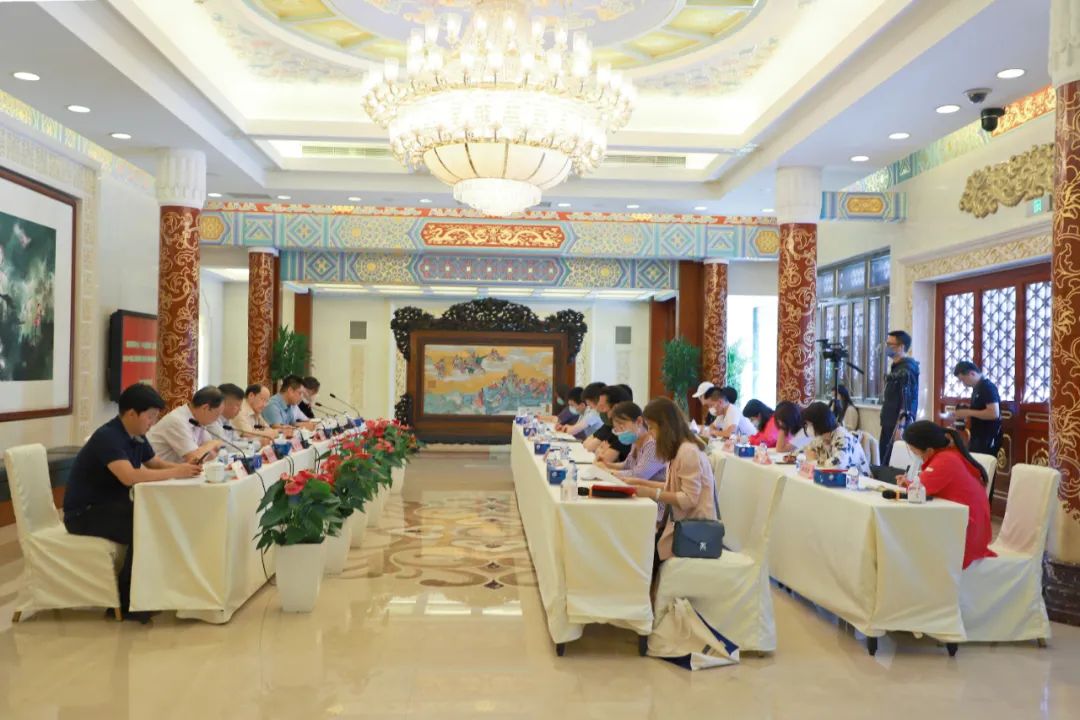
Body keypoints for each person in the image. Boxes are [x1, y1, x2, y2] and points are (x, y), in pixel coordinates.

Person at [63, 384, 201, 622]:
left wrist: (186, 469)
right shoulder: (108, 437)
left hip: (112, 506)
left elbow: (155, 463)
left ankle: (154, 591)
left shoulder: (136, 435)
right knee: (147, 526)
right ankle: (126, 602)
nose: (153, 423)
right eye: (150, 417)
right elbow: (129, 476)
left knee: (156, 519)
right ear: (131, 414)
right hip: (85, 514)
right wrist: (176, 472)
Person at [622, 397, 717, 562]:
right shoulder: (679, 450)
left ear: (665, 426)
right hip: (680, 523)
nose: (650, 433)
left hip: (691, 531)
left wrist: (651, 493)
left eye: (652, 427)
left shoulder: (688, 452)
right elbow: (671, 486)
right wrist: (639, 483)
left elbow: (688, 499)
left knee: (637, 551)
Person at [901, 421, 996, 569]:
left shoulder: (944, 461)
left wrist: (907, 484)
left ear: (929, 450)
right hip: (969, 529)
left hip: (965, 537)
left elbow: (918, 490)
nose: (915, 456)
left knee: (908, 542)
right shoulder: (949, 455)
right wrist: (908, 483)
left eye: (915, 452)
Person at [145, 385, 225, 464]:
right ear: (205, 408)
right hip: (155, 470)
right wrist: (213, 443)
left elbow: (207, 452)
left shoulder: (198, 421)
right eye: (217, 415)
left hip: (176, 470)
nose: (217, 419)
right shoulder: (177, 420)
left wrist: (211, 447)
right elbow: (194, 459)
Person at [595, 401, 666, 482]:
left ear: (639, 421)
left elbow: (639, 476)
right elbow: (627, 465)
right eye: (617, 428)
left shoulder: (653, 445)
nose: (620, 432)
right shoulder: (636, 442)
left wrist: (607, 472)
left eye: (622, 426)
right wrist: (607, 464)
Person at [880, 330, 920, 469]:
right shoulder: (896, 367)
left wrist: (901, 426)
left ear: (901, 347)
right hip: (888, 422)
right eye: (887, 344)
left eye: (890, 344)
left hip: (897, 425)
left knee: (893, 464)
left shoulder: (908, 368)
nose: (887, 347)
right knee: (884, 460)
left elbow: (908, 399)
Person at [946, 362, 1002, 456]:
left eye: (963, 380)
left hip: (987, 437)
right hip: (977, 435)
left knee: (983, 463)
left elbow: (994, 413)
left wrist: (968, 412)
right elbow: (981, 407)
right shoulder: (977, 388)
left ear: (972, 373)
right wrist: (968, 408)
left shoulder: (987, 387)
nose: (963, 384)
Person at [803, 401, 870, 475]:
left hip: (858, 479)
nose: (807, 428)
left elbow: (838, 464)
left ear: (819, 423)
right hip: (836, 479)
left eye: (809, 424)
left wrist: (815, 462)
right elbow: (805, 452)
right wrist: (808, 455)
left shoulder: (843, 437)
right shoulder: (820, 438)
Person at [584, 385, 632, 462]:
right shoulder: (611, 426)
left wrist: (600, 450)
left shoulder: (625, 430)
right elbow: (586, 445)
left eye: (602, 407)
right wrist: (601, 450)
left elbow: (603, 460)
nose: (598, 410)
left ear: (615, 407)